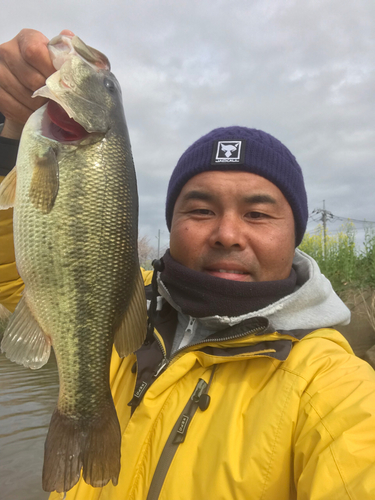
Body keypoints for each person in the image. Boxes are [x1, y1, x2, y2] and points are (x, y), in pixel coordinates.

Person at [1, 29, 375, 500]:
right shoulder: (123, 307)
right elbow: (21, 266)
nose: (227, 234)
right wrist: (10, 130)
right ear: (172, 223)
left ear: (295, 234)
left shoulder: (336, 392)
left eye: (257, 214)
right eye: (200, 210)